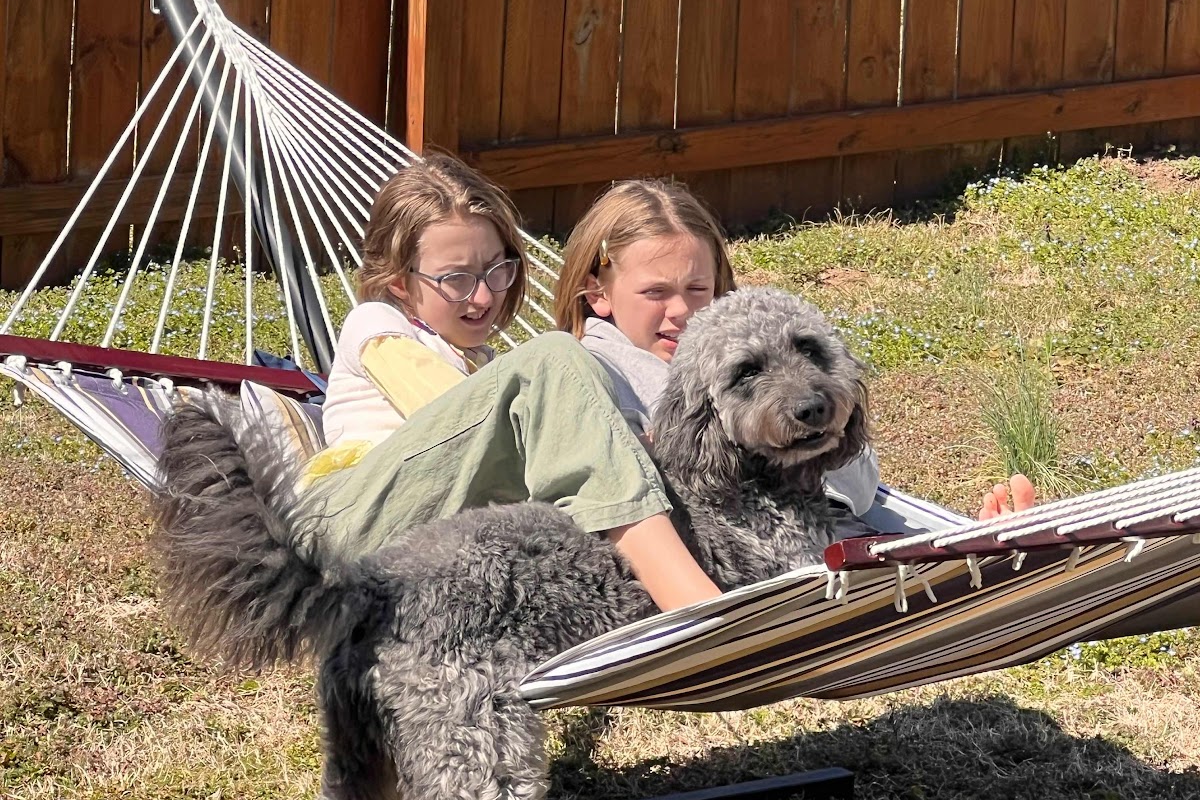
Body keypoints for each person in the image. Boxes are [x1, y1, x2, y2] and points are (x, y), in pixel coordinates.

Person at [297, 155, 722, 611]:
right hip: (339, 525)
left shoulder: (479, 362)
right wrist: (601, 437)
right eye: (456, 279)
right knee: (552, 358)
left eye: (496, 269)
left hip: (414, 537)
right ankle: (693, 605)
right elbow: (445, 408)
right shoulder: (377, 326)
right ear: (400, 283)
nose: (483, 295)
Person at [552, 176, 1037, 530]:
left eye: (699, 288)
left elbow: (861, 490)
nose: (682, 310)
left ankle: (981, 552)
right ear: (598, 294)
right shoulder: (589, 377)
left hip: (836, 526)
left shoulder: (767, 342)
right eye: (655, 292)